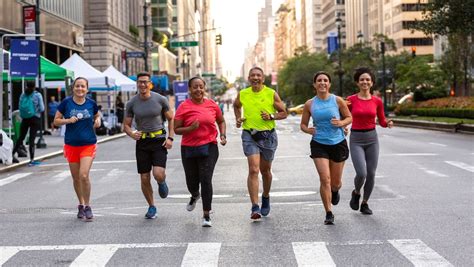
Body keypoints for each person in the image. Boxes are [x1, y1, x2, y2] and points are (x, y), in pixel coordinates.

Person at [233, 67, 287, 220]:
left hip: (268, 136)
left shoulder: (270, 93)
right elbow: (236, 105)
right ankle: (255, 206)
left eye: (258, 75)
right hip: (249, 134)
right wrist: (238, 118)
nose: (255, 78)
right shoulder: (243, 93)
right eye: (252, 75)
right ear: (249, 78)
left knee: (266, 171)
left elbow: (284, 113)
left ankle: (266, 195)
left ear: (263, 78)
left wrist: (270, 116)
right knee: (253, 169)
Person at [300, 71, 352, 225]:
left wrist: (342, 123)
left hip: (338, 143)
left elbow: (349, 117)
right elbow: (302, 124)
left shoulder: (337, 100)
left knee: (335, 183)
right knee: (325, 179)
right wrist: (308, 130)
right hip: (319, 143)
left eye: (325, 80)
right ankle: (328, 212)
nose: (322, 83)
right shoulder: (310, 104)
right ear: (315, 85)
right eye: (319, 80)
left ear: (329, 84)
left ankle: (335, 191)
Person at [174, 77, 227, 227]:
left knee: (205, 178)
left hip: (209, 146)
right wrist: (190, 129)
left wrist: (222, 135)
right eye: (195, 87)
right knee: (192, 181)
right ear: (189, 89)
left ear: (204, 88)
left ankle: (206, 214)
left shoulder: (212, 105)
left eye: (201, 87)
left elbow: (221, 121)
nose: (198, 90)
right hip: (189, 148)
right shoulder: (183, 107)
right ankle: (194, 195)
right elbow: (176, 129)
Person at [123, 72, 174, 219]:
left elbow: (171, 119)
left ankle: (161, 181)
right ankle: (152, 206)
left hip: (158, 140)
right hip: (142, 142)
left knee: (157, 174)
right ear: (137, 84)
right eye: (140, 82)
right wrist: (131, 134)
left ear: (150, 84)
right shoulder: (131, 103)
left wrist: (170, 138)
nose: (143, 85)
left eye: (145, 82)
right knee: (144, 178)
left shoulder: (160, 99)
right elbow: (126, 125)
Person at [347, 67, 393, 215]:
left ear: (372, 83)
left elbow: (382, 119)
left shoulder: (377, 101)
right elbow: (345, 117)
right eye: (362, 79)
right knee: (361, 173)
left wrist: (387, 124)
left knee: (371, 173)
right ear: (357, 82)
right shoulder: (351, 100)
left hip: (372, 138)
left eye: (367, 79)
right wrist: (342, 126)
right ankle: (356, 192)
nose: (364, 82)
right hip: (356, 139)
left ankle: (365, 203)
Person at [54, 77, 101, 221]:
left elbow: (97, 115)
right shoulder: (66, 103)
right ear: (73, 88)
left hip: (88, 144)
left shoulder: (91, 103)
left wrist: (98, 121)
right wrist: (68, 120)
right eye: (77, 86)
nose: (80, 89)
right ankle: (80, 204)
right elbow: (56, 121)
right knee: (76, 178)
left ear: (87, 89)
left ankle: (87, 206)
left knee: (83, 175)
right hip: (71, 144)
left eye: (83, 86)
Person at [12, 80, 45, 165]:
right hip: (35, 118)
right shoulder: (37, 95)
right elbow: (42, 108)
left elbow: (19, 106)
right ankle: (32, 159)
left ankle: (11, 154)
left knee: (21, 137)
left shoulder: (23, 94)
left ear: (26, 85)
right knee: (32, 139)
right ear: (34, 86)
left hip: (25, 118)